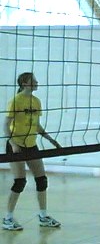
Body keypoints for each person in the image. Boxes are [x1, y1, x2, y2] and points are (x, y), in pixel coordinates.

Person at [3, 72, 62, 231]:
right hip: (16, 145)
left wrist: (50, 139)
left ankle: (43, 216)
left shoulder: (36, 101)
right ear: (24, 83)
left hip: (31, 145)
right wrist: (13, 143)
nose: (36, 82)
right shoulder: (15, 101)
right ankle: (7, 218)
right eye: (33, 80)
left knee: (42, 180)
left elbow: (36, 125)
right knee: (20, 181)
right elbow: (6, 125)